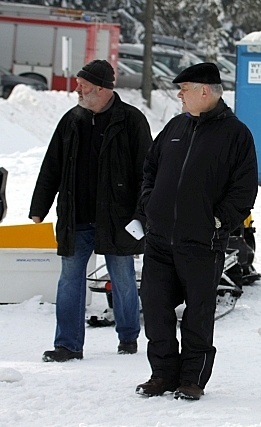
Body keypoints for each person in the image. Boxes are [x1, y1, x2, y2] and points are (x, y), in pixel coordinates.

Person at [135, 63, 258, 401]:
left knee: (198, 314)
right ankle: (162, 374)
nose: (179, 95)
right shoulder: (176, 126)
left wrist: (218, 221)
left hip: (202, 242)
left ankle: (192, 379)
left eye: (184, 88)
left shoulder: (236, 134)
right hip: (160, 240)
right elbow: (151, 167)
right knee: (156, 308)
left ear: (205, 91)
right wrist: (149, 203)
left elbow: (244, 190)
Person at [29, 59, 153, 362]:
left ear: (101, 89)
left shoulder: (132, 121)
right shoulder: (71, 120)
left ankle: (128, 336)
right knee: (69, 279)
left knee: (122, 277)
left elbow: (148, 172)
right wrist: (38, 208)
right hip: (76, 216)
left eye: (83, 86)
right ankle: (67, 345)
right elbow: (52, 166)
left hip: (118, 218)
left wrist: (142, 214)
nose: (77, 91)